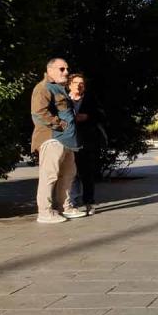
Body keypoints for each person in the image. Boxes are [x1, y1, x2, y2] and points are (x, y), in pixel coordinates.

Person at [30, 58, 86, 223]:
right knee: (50, 175)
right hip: (52, 138)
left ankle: (65, 207)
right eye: (62, 69)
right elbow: (39, 113)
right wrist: (60, 124)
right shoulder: (43, 88)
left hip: (67, 140)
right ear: (50, 70)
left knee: (68, 175)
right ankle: (45, 212)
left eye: (66, 69)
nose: (66, 72)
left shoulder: (59, 89)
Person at [67, 73, 106, 215]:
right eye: (75, 82)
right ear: (69, 84)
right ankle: (71, 202)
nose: (78, 85)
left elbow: (101, 115)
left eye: (81, 83)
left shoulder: (91, 99)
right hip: (68, 141)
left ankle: (89, 202)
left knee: (86, 173)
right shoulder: (64, 99)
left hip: (86, 141)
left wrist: (88, 116)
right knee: (70, 173)